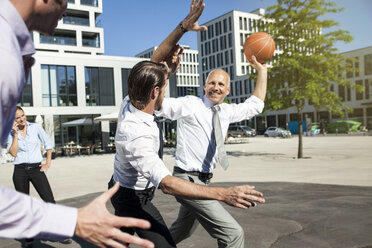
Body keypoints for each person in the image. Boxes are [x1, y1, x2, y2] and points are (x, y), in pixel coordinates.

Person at [0, 0, 154, 247]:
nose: (67, 11)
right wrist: (72, 221)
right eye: (65, 1)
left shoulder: (14, 48)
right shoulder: (5, 53)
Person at [110, 3, 264, 248]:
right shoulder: (135, 133)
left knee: (134, 237)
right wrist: (224, 194)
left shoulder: (131, 98)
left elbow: (157, 60)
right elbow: (168, 184)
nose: (215, 87)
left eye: (221, 85)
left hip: (137, 189)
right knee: (229, 234)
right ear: (155, 92)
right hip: (132, 195)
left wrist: (183, 26)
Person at [7, 106, 71, 246]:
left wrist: (47, 163)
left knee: (49, 200)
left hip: (36, 169)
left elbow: (48, 145)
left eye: (22, 115)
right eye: (18, 118)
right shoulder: (11, 133)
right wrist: (15, 134)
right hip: (20, 171)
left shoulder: (35, 127)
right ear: (13, 120)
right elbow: (13, 153)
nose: (22, 119)